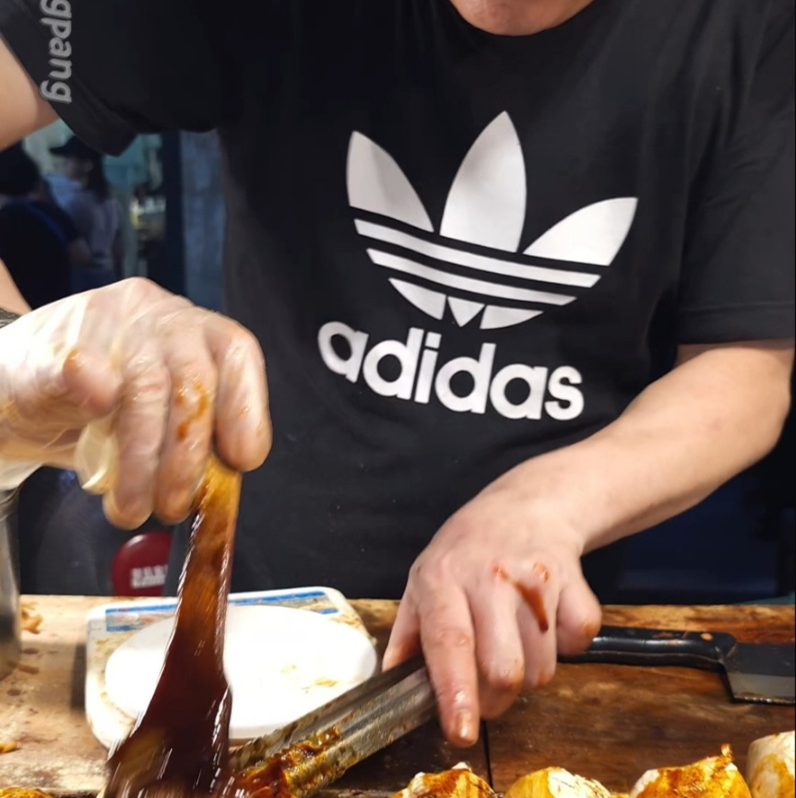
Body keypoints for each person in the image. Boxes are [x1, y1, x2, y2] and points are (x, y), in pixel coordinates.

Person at [0, 1, 793, 747]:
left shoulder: (748, 28)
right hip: (249, 633)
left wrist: (547, 501)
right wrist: (24, 348)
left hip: (522, 651)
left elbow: (747, 365)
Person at [0, 142, 89, 306]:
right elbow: (81, 254)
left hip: (18, 315)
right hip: (57, 309)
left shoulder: (5, 221)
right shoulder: (51, 213)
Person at [49, 134, 122, 290]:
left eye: (71, 159)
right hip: (107, 273)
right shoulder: (109, 201)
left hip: (84, 276)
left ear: (87, 164)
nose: (66, 164)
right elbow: (118, 247)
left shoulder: (78, 203)